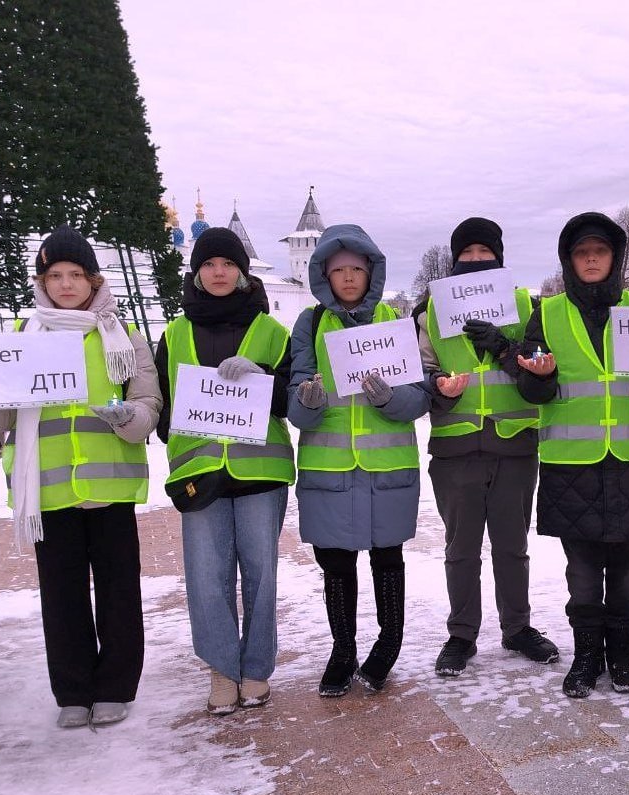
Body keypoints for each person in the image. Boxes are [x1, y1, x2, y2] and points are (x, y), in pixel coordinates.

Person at [0, 226, 160, 728]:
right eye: (56, 275)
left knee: (118, 591)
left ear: (94, 280)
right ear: (42, 281)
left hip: (108, 485)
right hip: (46, 488)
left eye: (76, 275)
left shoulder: (122, 336)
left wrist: (124, 416)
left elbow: (148, 407)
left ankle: (115, 685)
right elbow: (0, 420)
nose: (67, 285)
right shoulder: (22, 338)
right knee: (61, 595)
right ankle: (72, 691)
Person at [516, 211, 629, 698]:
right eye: (581, 252)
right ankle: (587, 654)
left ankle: (624, 653)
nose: (591, 258)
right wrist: (541, 376)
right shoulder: (546, 313)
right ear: (569, 261)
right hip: (573, 468)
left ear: (615, 257)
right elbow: (531, 388)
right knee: (584, 574)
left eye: (600, 251)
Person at [287, 224, 431, 697]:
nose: (348, 278)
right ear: (323, 275)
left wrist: (389, 398)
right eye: (338, 270)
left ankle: (388, 645)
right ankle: (343, 649)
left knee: (388, 560)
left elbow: (417, 400)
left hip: (387, 471)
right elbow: (295, 409)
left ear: (371, 272)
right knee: (336, 565)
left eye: (356, 269)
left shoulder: (394, 320)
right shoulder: (309, 324)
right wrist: (308, 400)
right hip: (329, 473)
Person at [155, 227, 294, 714]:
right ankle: (220, 669)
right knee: (207, 576)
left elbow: (289, 402)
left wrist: (263, 381)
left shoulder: (273, 331)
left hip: (260, 471)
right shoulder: (173, 334)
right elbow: (163, 408)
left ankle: (255, 668)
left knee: (261, 574)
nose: (218, 272)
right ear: (196, 271)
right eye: (209, 264)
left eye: (228, 264)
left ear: (242, 271)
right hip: (199, 475)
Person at [415, 217, 558, 678]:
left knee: (512, 546)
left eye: (485, 253)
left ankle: (517, 628)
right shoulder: (429, 312)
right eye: (467, 254)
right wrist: (439, 386)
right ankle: (462, 634)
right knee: (461, 549)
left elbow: (541, 366)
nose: (476, 261)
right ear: (454, 260)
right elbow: (421, 371)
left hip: (514, 444)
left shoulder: (527, 306)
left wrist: (510, 349)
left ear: (499, 257)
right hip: (456, 448)